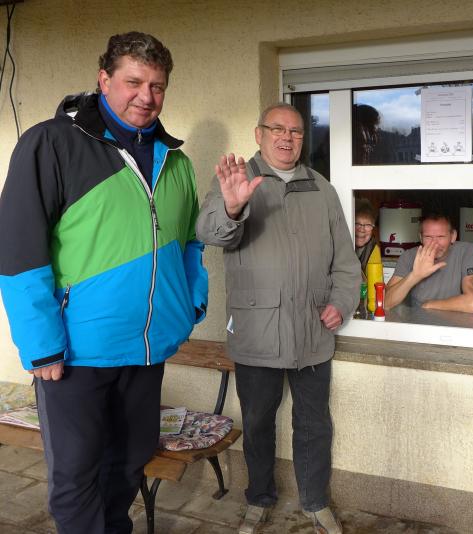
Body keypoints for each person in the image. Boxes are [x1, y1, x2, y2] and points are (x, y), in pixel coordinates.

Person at [0, 32, 208, 533]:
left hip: (147, 350)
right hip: (75, 355)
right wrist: (42, 347)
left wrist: (189, 307)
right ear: (104, 79)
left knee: (129, 466)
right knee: (77, 477)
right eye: (133, 82)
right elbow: (18, 249)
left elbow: (189, 245)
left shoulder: (175, 161)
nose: (146, 96)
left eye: (157, 86)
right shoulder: (52, 143)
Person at [195, 102, 360, 534]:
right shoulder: (236, 179)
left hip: (312, 329)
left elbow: (346, 263)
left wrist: (342, 302)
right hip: (258, 332)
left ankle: (315, 502)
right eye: (278, 129)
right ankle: (259, 498)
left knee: (314, 423)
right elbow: (208, 232)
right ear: (259, 134)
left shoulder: (321, 189)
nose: (287, 137)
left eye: (296, 131)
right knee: (257, 422)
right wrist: (232, 207)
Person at [385, 214, 473, 312]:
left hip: (456, 321)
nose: (434, 243)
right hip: (418, 320)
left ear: (453, 236)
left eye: (441, 236)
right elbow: (385, 303)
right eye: (428, 237)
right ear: (421, 238)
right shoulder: (409, 256)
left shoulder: (466, 251)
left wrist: (429, 305)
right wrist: (415, 276)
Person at [354, 197, 379, 278]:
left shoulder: (374, 249)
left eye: (367, 225)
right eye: (357, 223)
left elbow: (374, 282)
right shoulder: (340, 245)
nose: (361, 229)